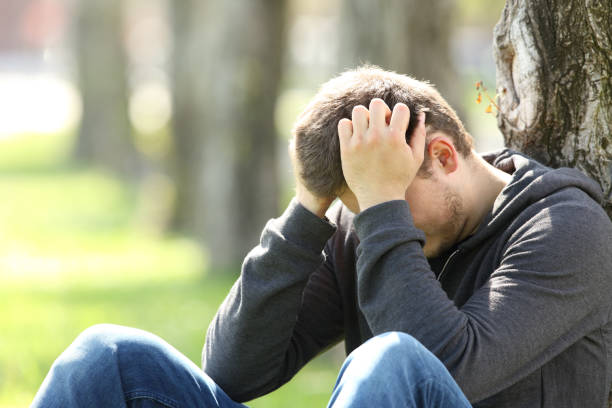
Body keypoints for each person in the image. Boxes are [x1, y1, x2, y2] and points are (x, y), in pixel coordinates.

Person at [32, 67, 612, 408]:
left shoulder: (566, 229)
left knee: (389, 360)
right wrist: (311, 207)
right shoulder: (370, 219)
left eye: (384, 196)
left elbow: (447, 368)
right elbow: (234, 371)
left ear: (440, 155)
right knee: (105, 357)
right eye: (354, 206)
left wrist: (383, 204)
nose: (371, 225)